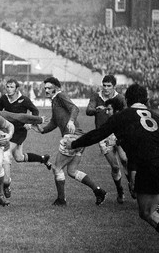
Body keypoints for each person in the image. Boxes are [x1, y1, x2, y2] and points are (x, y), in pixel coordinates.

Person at [66, 83, 159, 233]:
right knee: (152, 209)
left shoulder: (122, 116)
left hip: (148, 168)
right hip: (152, 164)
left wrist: (74, 143)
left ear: (127, 100)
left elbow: (97, 134)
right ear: (146, 100)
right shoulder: (155, 116)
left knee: (147, 212)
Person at [33, 77, 106, 206]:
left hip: (72, 137)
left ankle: (61, 199)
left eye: (49, 88)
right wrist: (42, 130)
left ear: (56, 88)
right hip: (80, 139)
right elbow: (55, 122)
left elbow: (75, 108)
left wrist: (71, 121)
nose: (46, 90)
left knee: (57, 168)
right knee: (72, 171)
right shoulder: (55, 101)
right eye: (45, 88)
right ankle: (98, 191)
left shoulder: (60, 96)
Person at [0, 79, 52, 199]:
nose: (9, 89)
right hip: (8, 130)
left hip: (20, 132)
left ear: (16, 89)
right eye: (7, 86)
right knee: (19, 158)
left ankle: (6, 183)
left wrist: (30, 124)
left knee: (6, 154)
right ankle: (43, 159)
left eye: (11, 87)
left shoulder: (24, 99)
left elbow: (35, 111)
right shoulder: (4, 99)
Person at [86, 75, 127, 203]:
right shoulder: (96, 96)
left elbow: (127, 113)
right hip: (103, 135)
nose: (106, 88)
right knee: (115, 167)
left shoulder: (119, 98)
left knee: (125, 160)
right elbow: (88, 110)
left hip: (119, 133)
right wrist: (95, 110)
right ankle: (120, 190)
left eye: (109, 86)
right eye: (104, 85)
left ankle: (132, 185)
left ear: (114, 86)